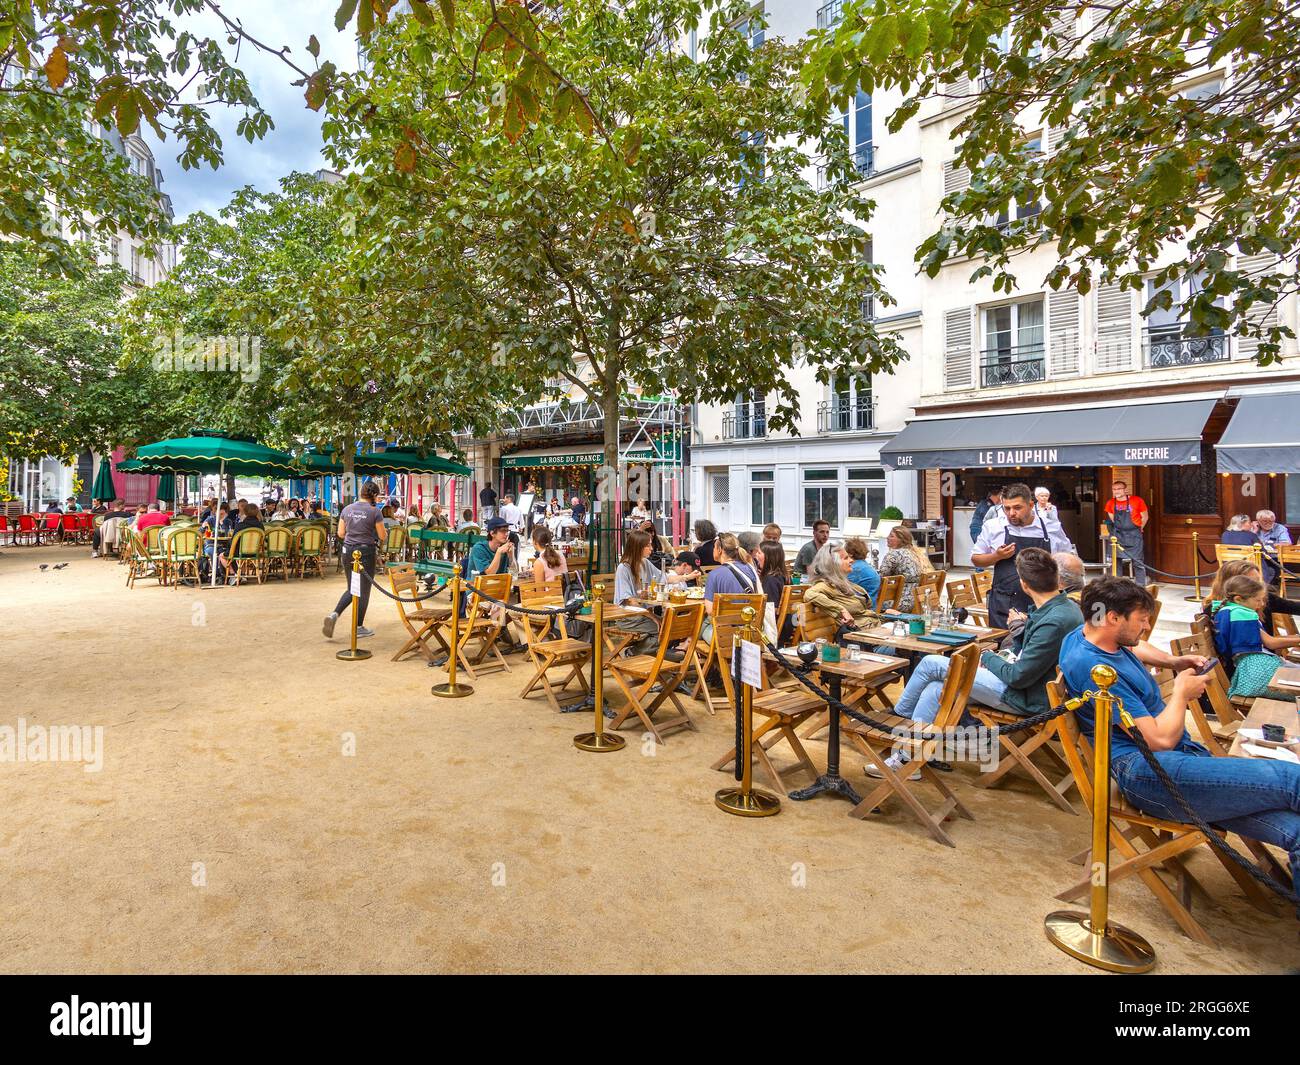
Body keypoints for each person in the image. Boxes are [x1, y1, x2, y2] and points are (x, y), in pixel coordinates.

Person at [1060, 576, 1300, 892]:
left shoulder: (1086, 635)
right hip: (1149, 773)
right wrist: (1181, 695)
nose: (1146, 627)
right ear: (1112, 618)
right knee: (1290, 780)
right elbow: (1159, 741)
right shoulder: (1096, 670)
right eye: (1141, 620)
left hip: (1168, 764)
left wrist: (1172, 660)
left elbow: (1139, 646)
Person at [871, 549, 1084, 779]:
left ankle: (897, 721)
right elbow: (1027, 657)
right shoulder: (1064, 609)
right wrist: (1002, 654)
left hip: (1028, 698)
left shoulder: (1053, 619)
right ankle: (908, 756)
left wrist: (986, 657)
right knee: (935, 689)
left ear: (1024, 585)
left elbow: (1018, 676)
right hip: (1036, 691)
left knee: (931, 662)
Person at [972, 483, 1073, 626]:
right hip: (1004, 604)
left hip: (1043, 604)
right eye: (1007, 508)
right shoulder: (993, 526)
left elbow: (1067, 560)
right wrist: (997, 556)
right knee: (1003, 646)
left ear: (1031, 505)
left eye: (1017, 508)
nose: (1011, 513)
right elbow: (976, 559)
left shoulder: (1051, 527)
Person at [1210, 575, 1300, 697]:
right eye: (1258, 600)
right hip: (1258, 672)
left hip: (1251, 670)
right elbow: (1270, 643)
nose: (1261, 604)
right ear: (1238, 599)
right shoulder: (1241, 614)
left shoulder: (1228, 611)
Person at [322, 482, 386, 640]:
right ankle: (358, 627)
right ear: (374, 495)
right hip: (366, 552)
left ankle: (334, 614)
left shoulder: (347, 509)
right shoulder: (375, 511)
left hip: (348, 551)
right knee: (363, 590)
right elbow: (383, 536)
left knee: (352, 588)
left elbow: (341, 533)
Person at [613, 529, 689, 653]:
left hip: (642, 615)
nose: (651, 548)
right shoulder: (624, 568)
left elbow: (664, 578)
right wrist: (652, 616)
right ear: (638, 547)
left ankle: (653, 655)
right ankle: (635, 653)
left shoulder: (644, 563)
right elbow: (630, 601)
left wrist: (686, 577)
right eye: (648, 545)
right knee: (666, 628)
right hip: (628, 618)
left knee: (673, 626)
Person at [1205, 558, 1300, 636]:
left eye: (1259, 580)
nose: (1259, 586)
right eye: (1252, 582)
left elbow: (1293, 607)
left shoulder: (1263, 598)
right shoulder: (1217, 610)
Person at [802, 541, 875, 639]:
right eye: (846, 558)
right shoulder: (825, 586)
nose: (851, 560)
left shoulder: (846, 584)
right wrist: (841, 610)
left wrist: (885, 613)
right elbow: (809, 594)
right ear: (833, 564)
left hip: (873, 632)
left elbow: (867, 610)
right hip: (861, 640)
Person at [1103, 480, 1149, 586]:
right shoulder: (1110, 503)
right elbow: (1112, 519)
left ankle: (1140, 586)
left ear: (1125, 489)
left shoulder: (1137, 500)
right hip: (1118, 535)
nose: (1116, 491)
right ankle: (1118, 586)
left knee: (1138, 562)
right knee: (1116, 562)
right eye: (1114, 489)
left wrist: (1138, 529)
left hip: (1134, 535)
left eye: (1119, 489)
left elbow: (1145, 517)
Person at [878, 525, 933, 613]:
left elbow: (880, 578)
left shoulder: (894, 554)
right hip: (919, 600)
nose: (887, 538)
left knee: (868, 601)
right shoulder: (917, 554)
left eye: (891, 536)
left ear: (901, 540)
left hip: (901, 603)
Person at [756, 539, 791, 644]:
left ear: (768, 557)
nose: (756, 555)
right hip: (787, 624)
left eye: (759, 553)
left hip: (774, 629)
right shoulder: (783, 575)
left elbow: (772, 610)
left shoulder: (770, 579)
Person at [844, 536, 881, 606]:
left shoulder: (854, 569)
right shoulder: (868, 566)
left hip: (864, 609)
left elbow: (843, 589)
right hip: (873, 607)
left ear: (850, 553)